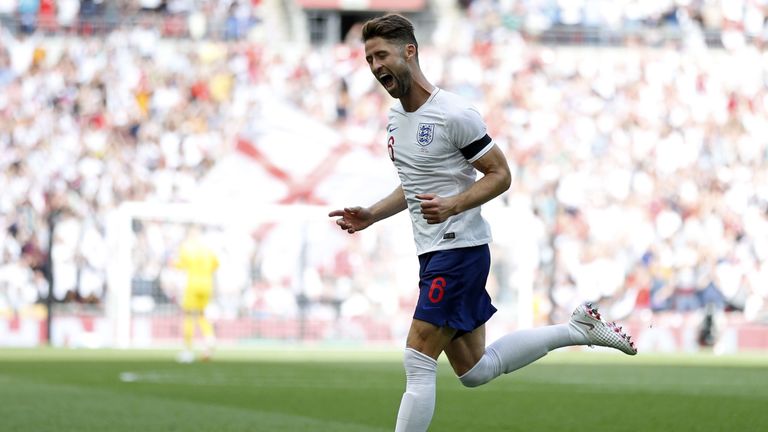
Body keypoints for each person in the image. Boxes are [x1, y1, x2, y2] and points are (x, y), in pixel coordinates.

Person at [328, 14, 636, 432]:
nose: (375, 66)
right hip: (433, 250)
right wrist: (372, 214)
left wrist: (454, 205)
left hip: (458, 249)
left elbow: (500, 174)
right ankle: (577, 328)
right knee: (475, 370)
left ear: (409, 51)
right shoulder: (396, 119)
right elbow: (414, 184)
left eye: (381, 54)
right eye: (368, 59)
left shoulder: (455, 113)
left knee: (417, 358)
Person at [173, 226, 219, 363]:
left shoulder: (186, 247)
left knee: (188, 315)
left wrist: (174, 264)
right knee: (201, 314)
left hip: (193, 284)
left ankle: (187, 350)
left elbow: (181, 265)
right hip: (207, 285)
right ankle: (210, 338)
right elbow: (216, 265)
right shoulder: (207, 248)